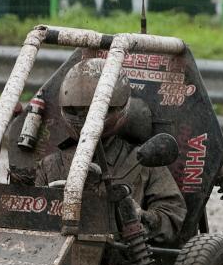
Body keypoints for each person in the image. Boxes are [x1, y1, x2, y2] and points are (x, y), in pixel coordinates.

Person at [34, 58, 187, 246]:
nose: (85, 118)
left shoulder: (142, 163)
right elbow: (30, 220)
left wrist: (139, 217)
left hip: (121, 261)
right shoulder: (51, 165)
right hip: (56, 254)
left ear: (117, 108)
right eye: (76, 111)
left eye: (94, 110)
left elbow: (172, 217)